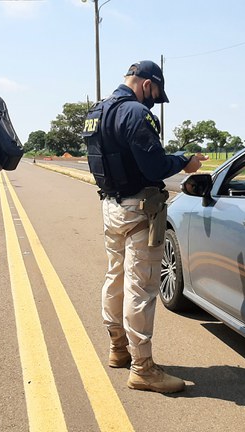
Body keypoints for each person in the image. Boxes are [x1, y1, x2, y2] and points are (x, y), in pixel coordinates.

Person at [83, 60, 207, 393]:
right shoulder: (136, 114)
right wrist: (184, 161)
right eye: (156, 94)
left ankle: (118, 348)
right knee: (141, 288)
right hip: (138, 210)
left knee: (115, 276)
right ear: (147, 84)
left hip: (110, 206)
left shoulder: (97, 112)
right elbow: (154, 166)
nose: (154, 101)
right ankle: (143, 368)